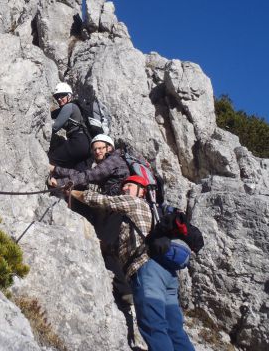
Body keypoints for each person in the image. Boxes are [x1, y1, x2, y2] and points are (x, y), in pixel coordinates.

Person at [64, 175, 196, 351]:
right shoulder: (154, 212)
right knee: (175, 330)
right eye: (124, 187)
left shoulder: (135, 203)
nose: (125, 189)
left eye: (130, 186)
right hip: (168, 274)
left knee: (153, 325)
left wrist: (71, 192)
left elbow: (101, 200)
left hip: (147, 270)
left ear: (142, 192)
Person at [49, 134, 133, 306]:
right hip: (111, 209)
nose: (97, 151)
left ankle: (126, 292)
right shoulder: (108, 164)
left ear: (110, 147)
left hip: (116, 210)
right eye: (94, 149)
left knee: (106, 247)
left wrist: (58, 179)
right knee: (106, 249)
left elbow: (89, 176)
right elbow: (81, 174)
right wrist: (57, 175)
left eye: (101, 148)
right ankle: (123, 292)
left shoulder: (114, 160)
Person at [48, 83, 91, 169]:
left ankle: (52, 180)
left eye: (62, 96)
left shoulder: (69, 106)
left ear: (69, 96)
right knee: (76, 171)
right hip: (87, 145)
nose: (59, 99)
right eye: (57, 97)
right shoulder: (75, 107)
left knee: (53, 159)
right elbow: (54, 114)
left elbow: (55, 127)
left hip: (77, 141)